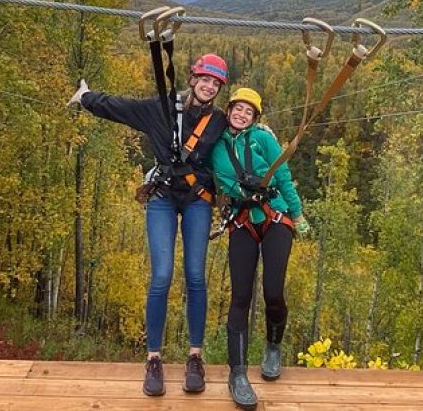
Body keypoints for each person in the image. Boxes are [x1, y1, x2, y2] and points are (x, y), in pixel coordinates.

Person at [67, 53, 229, 397]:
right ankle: (153, 358)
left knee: (196, 275)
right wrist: (85, 98)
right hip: (163, 196)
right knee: (161, 275)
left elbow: (243, 138)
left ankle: (194, 357)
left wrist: (262, 132)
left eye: (215, 83)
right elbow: (120, 108)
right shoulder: (162, 108)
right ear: (193, 78)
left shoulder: (218, 121)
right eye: (205, 79)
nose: (209, 86)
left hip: (198, 197)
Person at [209, 87, 310, 410]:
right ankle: (238, 373)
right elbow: (210, 175)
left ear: (255, 117)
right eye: (237, 108)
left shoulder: (263, 139)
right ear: (229, 111)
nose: (241, 114)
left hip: (274, 216)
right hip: (242, 220)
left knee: (273, 292)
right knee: (239, 297)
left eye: (248, 112)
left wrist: (297, 214)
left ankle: (273, 345)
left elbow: (283, 175)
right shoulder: (217, 145)